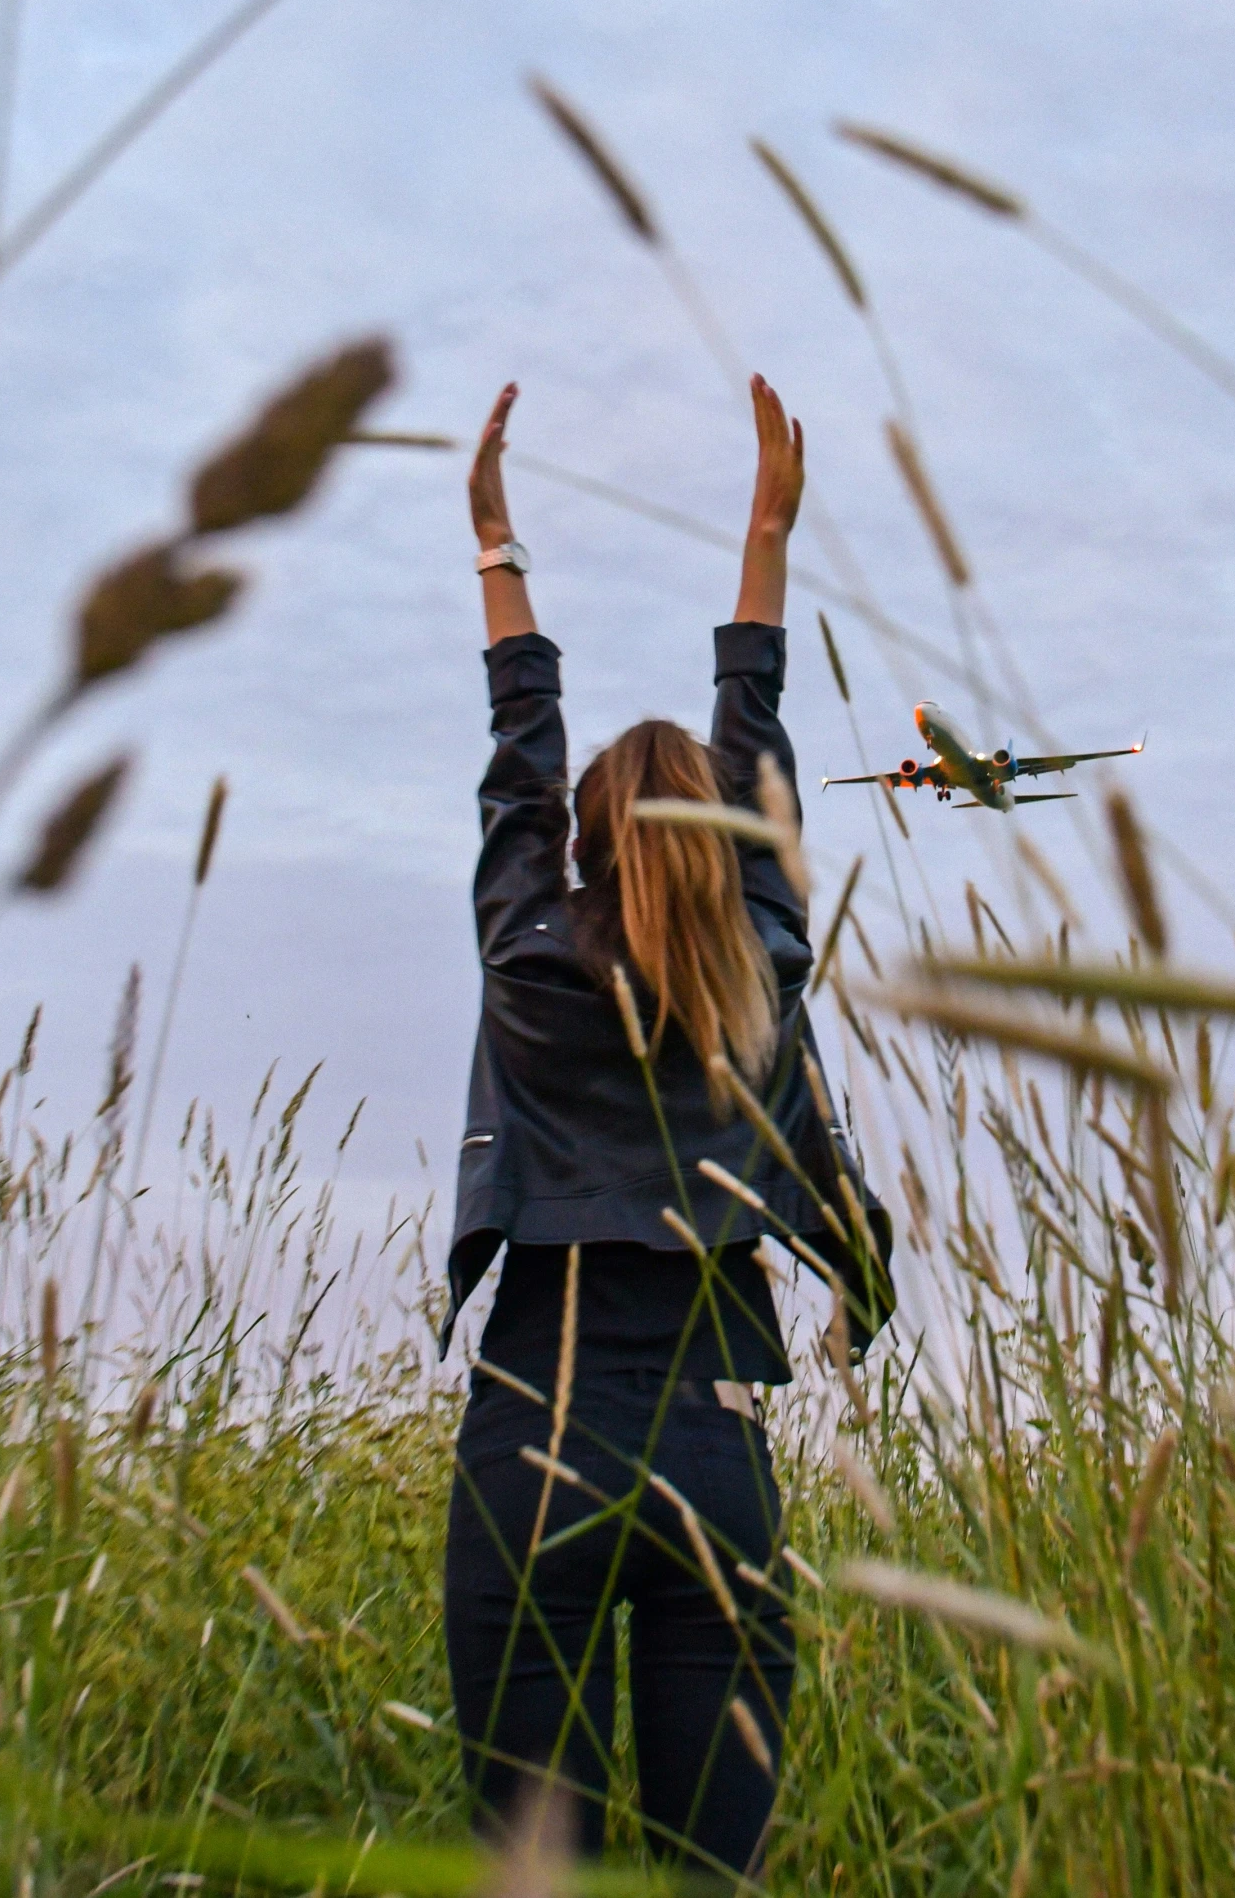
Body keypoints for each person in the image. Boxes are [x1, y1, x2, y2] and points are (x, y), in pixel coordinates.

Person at [442, 373, 893, 1882]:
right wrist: (767, 528)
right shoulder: (759, 964)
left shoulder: (524, 956)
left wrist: (498, 542)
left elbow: (520, 755)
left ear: (571, 850)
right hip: (717, 1437)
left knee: (536, 1873)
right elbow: (753, 737)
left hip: (534, 1425)